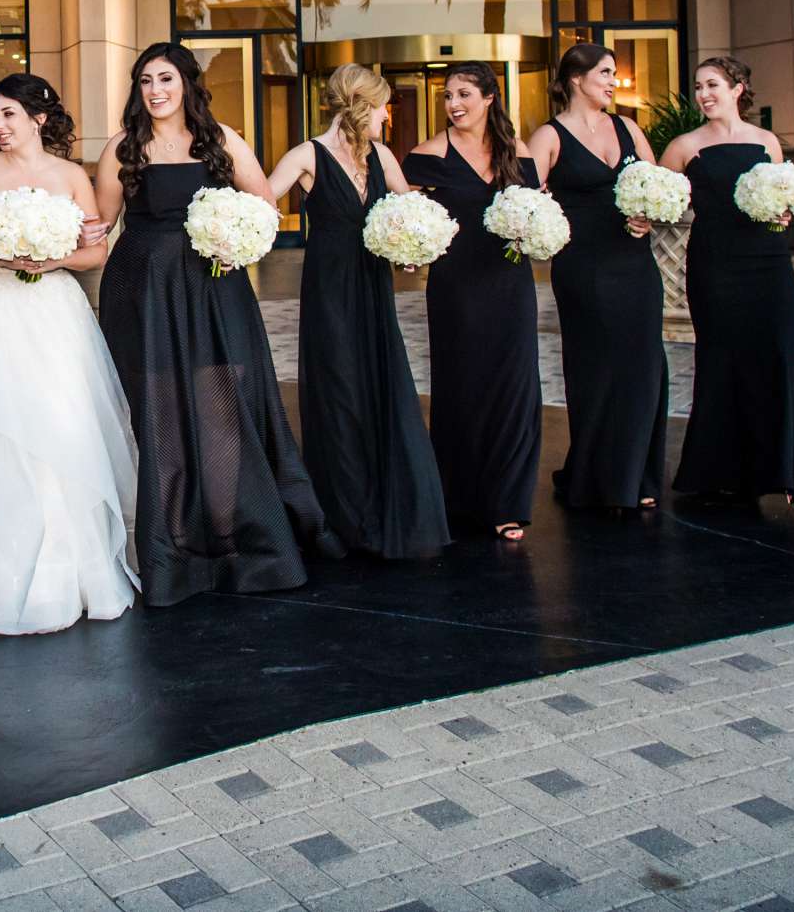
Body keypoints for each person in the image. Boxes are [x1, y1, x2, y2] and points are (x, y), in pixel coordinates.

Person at [95, 42, 339, 605]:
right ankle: (173, 550)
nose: (155, 91)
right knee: (158, 414)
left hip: (213, 286)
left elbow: (263, 210)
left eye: (165, 79)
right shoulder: (122, 147)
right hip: (143, 290)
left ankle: (237, 541)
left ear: (186, 83)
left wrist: (233, 243)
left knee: (222, 406)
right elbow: (102, 224)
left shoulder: (222, 140)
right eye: (146, 81)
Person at [0, 73, 137, 635]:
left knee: (61, 429)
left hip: (55, 316)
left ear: (38, 119)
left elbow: (94, 254)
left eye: (9, 115)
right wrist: (3, 255)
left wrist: (51, 260)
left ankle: (70, 579)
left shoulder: (72, 176)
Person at [266, 63, 448, 559]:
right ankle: (343, 517)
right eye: (385, 104)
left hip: (373, 289)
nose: (389, 115)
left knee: (379, 387)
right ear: (364, 106)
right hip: (328, 292)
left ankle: (386, 506)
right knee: (339, 391)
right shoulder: (308, 154)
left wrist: (416, 244)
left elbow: (410, 211)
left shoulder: (384, 156)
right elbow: (261, 202)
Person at [661, 57, 794, 503]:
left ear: (738, 88)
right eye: (698, 87)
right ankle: (720, 470)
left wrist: (786, 212)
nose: (704, 94)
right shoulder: (683, 146)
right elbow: (661, 202)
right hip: (715, 265)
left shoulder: (766, 141)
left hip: (768, 264)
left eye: (713, 84)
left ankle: (791, 469)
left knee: (778, 355)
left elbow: (782, 195)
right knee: (721, 359)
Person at [527, 43, 668, 514]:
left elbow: (656, 183)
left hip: (634, 264)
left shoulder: (628, 127)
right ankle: (596, 473)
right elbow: (524, 201)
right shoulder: (548, 136)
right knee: (595, 369)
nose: (613, 81)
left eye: (614, 74)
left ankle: (639, 474)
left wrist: (648, 213)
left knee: (643, 366)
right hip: (583, 268)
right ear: (575, 79)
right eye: (605, 73)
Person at [404, 63, 542, 541]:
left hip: (510, 284)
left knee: (514, 388)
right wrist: (407, 250)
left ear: (489, 98)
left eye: (463, 93)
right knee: (461, 387)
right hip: (456, 289)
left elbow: (537, 209)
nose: (453, 103)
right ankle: (458, 497)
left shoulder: (515, 151)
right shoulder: (426, 155)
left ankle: (509, 502)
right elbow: (403, 216)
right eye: (447, 96)